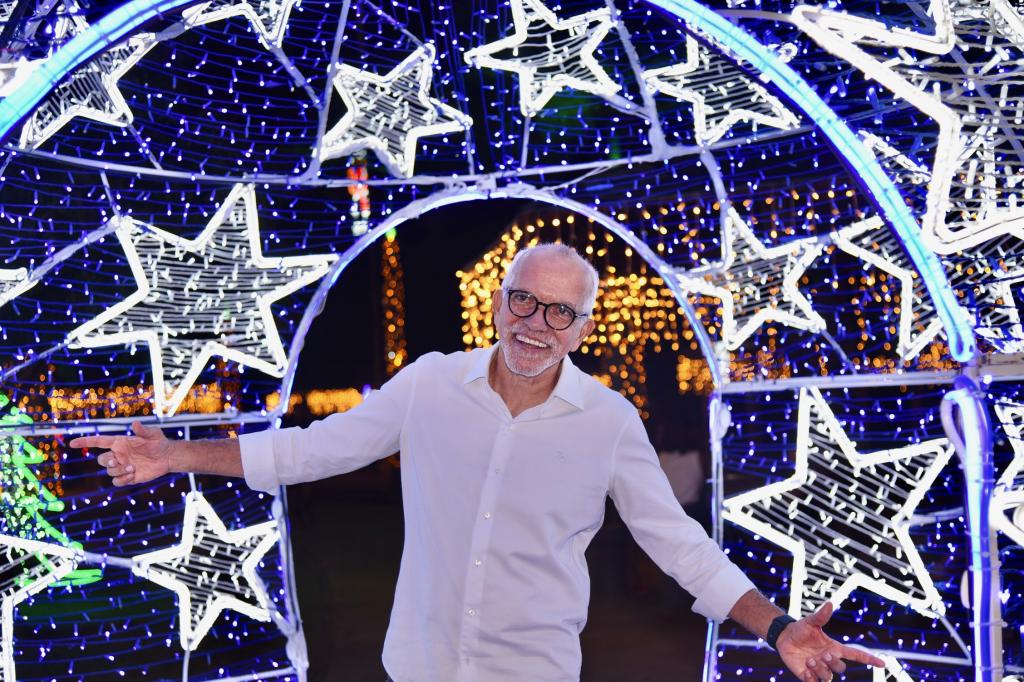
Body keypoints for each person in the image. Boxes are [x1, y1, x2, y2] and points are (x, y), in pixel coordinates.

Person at [71, 243, 884, 682]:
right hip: (419, 668)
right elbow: (310, 450)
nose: (536, 324)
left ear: (583, 328)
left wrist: (777, 626)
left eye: (560, 312)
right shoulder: (430, 383)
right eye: (524, 300)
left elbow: (675, 541)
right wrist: (174, 453)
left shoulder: (607, 421)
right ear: (499, 302)